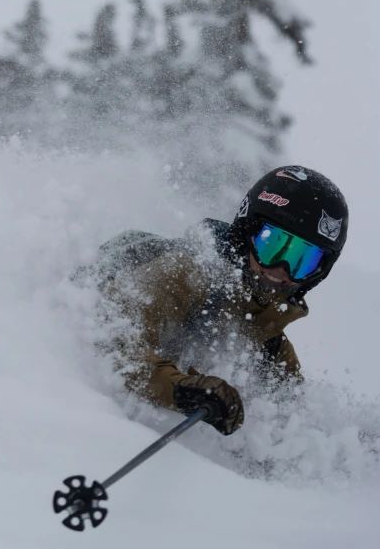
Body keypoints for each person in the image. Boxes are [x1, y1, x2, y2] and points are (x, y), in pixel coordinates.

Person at [83, 166, 348, 437]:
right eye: (272, 244)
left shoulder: (269, 342)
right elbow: (116, 342)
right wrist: (182, 389)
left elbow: (295, 420)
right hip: (80, 406)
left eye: (303, 261)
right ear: (247, 231)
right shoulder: (189, 270)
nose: (282, 270)